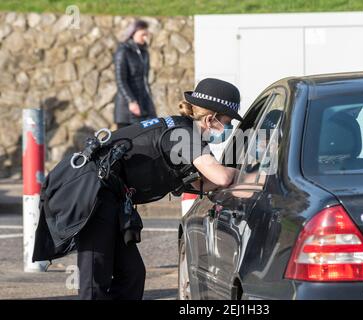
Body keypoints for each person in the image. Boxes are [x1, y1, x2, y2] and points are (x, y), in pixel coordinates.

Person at [32, 78, 242, 300]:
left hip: (110, 196)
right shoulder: (184, 135)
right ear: (210, 119)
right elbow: (219, 175)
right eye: (227, 123)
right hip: (93, 195)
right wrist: (246, 175)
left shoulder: (183, 130)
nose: (228, 129)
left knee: (131, 274)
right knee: (96, 277)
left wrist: (239, 180)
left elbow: (197, 182)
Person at [114, 20, 156, 129]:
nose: (145, 37)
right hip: (127, 109)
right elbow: (120, 80)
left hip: (144, 104)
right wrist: (131, 101)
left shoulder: (144, 52)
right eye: (143, 34)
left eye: (146, 34)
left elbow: (144, 80)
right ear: (133, 33)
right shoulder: (123, 51)